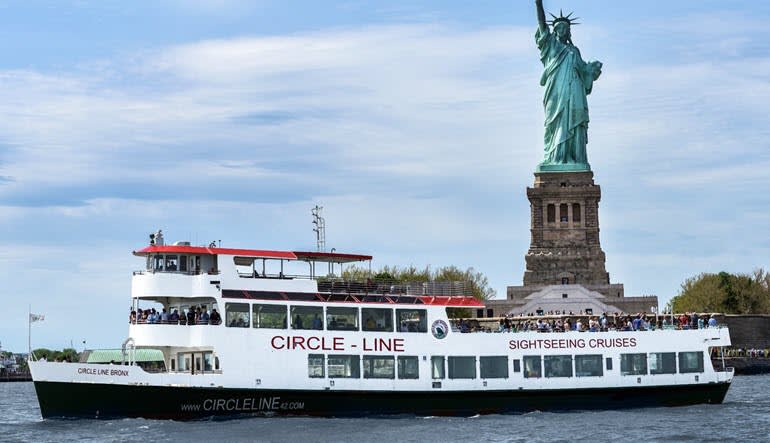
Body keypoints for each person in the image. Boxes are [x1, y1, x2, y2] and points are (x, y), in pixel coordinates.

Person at [534, 0, 601, 169]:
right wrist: (538, 4)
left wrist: (592, 70)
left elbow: (585, 72)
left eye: (566, 28)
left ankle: (574, 158)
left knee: (575, 122)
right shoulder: (550, 46)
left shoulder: (574, 51)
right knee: (554, 123)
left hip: (575, 91)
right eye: (560, 28)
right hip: (556, 92)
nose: (563, 30)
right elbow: (542, 25)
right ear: (555, 31)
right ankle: (555, 157)